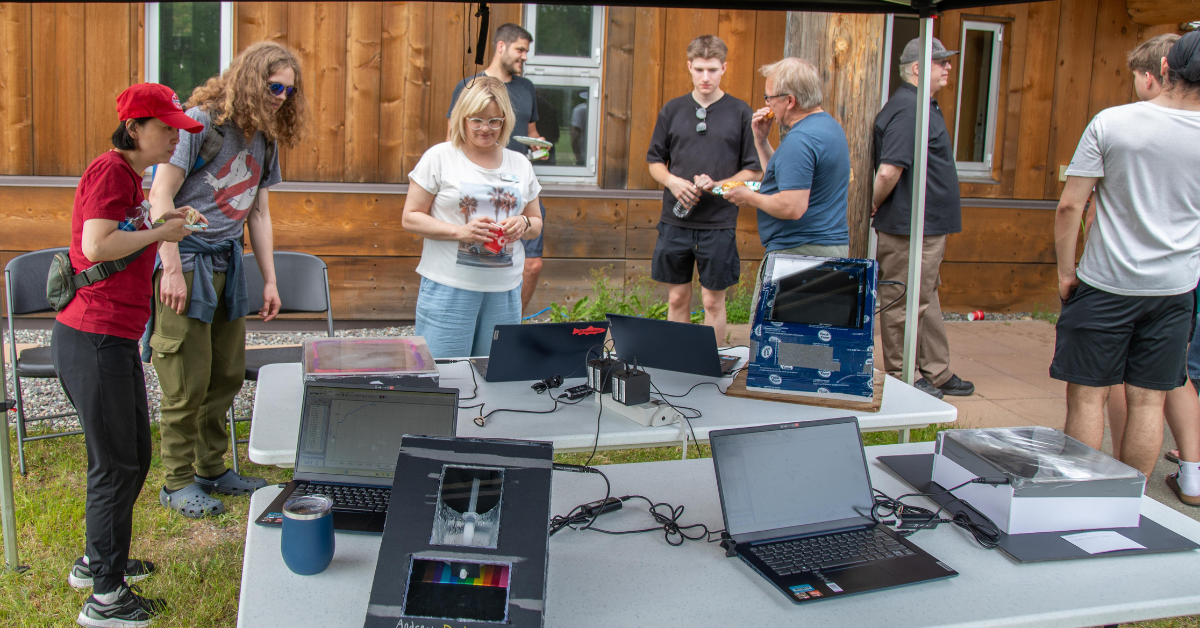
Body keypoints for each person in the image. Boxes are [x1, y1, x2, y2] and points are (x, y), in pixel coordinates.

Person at [54, 83, 203, 626]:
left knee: (133, 456)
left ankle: (99, 562)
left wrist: (162, 223)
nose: (173, 141)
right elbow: (96, 246)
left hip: (109, 338)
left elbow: (121, 232)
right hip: (93, 338)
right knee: (115, 466)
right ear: (135, 127)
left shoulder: (127, 177)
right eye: (166, 130)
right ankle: (106, 598)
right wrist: (160, 232)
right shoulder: (112, 171)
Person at [146, 42, 308, 518]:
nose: (281, 96)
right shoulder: (199, 124)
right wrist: (170, 267)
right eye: (274, 86)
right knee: (185, 379)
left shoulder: (265, 137)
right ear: (250, 79)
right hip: (188, 263)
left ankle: (211, 469)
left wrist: (271, 281)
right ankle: (176, 482)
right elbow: (159, 195)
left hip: (228, 265)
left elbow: (258, 212)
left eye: (288, 90)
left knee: (226, 374)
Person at [1051, 32, 1200, 499]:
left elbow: (1070, 207)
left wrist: (1064, 272)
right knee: (1148, 400)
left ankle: (1076, 496)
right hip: (1174, 289)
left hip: (1106, 282)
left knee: (1088, 395)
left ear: (1166, 67)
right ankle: (1127, 503)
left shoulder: (1112, 123)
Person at [1103, 33, 1199, 476]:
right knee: (1174, 376)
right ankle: (1194, 471)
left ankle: (1122, 472)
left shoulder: (1122, 124)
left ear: (1155, 74)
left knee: (1135, 383)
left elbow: (1076, 206)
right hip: (1182, 275)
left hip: (1129, 276)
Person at [406, 76, 544, 358]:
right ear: (462, 118)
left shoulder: (520, 163)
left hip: (504, 291)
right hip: (449, 288)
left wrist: (524, 223)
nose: (486, 129)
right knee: (446, 376)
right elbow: (410, 217)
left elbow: (536, 223)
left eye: (495, 121)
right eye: (477, 120)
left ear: (505, 121)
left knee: (494, 374)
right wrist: (461, 232)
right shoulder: (440, 157)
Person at [869, 37, 975, 400]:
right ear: (918, 69)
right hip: (909, 228)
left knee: (924, 296)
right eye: (940, 62)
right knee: (903, 302)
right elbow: (888, 171)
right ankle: (901, 381)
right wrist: (874, 203)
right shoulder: (909, 110)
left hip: (926, 226)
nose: (948, 67)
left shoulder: (921, 105)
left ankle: (937, 372)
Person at [647, 35, 761, 344]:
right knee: (677, 299)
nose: (705, 77)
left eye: (712, 69)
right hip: (676, 221)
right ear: (689, 67)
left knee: (712, 301)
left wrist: (717, 185)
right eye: (699, 70)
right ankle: (679, 364)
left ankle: (711, 365)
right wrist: (673, 181)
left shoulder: (740, 112)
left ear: (724, 67)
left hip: (718, 222)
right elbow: (654, 161)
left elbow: (754, 170)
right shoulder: (673, 110)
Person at [446, 23, 549, 315]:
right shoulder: (469, 86)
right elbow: (452, 138)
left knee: (532, 263)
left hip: (519, 185)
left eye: (526, 52)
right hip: (479, 188)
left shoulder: (526, 87)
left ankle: (511, 321)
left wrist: (540, 146)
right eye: (520, 50)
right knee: (483, 256)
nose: (524, 57)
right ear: (500, 46)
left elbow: (531, 132)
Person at [723, 57, 850, 261]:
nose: (767, 103)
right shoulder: (829, 126)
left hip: (799, 252)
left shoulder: (800, 139)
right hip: (826, 248)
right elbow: (785, 179)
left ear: (790, 101)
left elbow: (792, 206)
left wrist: (749, 197)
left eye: (769, 97)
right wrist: (761, 141)